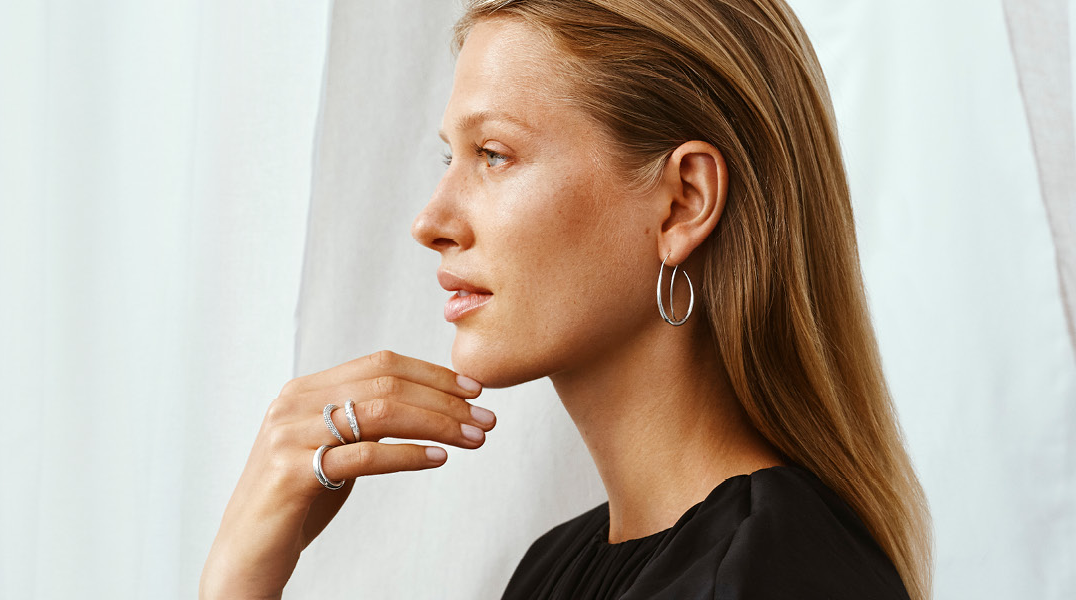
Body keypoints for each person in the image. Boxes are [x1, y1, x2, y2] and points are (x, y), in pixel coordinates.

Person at [200, 0, 932, 598]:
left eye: (494, 154)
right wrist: (242, 576)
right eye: (447, 157)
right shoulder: (556, 570)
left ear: (683, 202)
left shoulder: (765, 573)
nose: (431, 222)